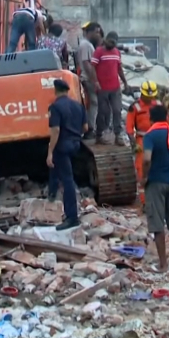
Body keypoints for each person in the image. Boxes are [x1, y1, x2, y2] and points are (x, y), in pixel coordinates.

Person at [142, 104, 169, 272]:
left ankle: (163, 264)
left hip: (155, 182)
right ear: (166, 116)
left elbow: (146, 159)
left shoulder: (150, 135)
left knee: (158, 224)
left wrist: (144, 176)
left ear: (150, 118)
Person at [47, 79, 87, 230]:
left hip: (62, 145)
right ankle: (52, 193)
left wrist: (50, 152)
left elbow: (55, 130)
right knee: (56, 170)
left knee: (67, 180)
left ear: (56, 91)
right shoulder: (78, 106)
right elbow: (85, 127)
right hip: (75, 144)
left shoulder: (55, 107)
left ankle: (72, 217)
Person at [91, 31, 129, 145]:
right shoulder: (99, 51)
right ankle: (99, 134)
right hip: (102, 88)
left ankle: (118, 135)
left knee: (117, 110)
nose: (111, 44)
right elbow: (93, 67)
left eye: (114, 42)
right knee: (103, 111)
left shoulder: (117, 52)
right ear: (105, 40)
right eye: (110, 41)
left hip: (115, 87)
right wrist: (96, 82)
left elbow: (119, 69)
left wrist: (125, 82)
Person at [126, 81, 161, 204]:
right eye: (148, 96)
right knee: (142, 169)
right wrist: (133, 143)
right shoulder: (135, 107)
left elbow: (166, 123)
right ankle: (145, 201)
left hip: (158, 138)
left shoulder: (157, 105)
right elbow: (129, 128)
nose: (150, 98)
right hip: (142, 140)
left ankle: (157, 197)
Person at [77, 22, 102, 140]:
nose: (98, 34)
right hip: (88, 79)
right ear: (90, 32)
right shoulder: (86, 45)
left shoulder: (87, 45)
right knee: (93, 103)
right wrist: (94, 80)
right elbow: (87, 64)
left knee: (92, 103)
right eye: (96, 32)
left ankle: (90, 127)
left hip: (88, 78)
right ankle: (90, 128)